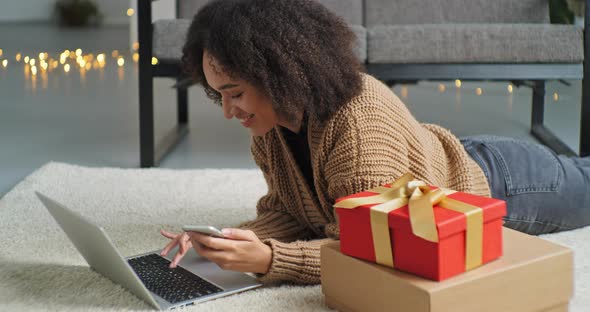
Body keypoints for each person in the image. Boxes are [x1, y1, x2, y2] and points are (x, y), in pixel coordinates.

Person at [159, 0, 590, 285]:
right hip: (437, 159)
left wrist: (271, 260)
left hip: (506, 183)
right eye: (219, 95)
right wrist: (226, 240)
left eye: (235, 92)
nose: (228, 111)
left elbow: (376, 252)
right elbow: (290, 212)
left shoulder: (356, 122)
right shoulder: (270, 128)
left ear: (278, 73)